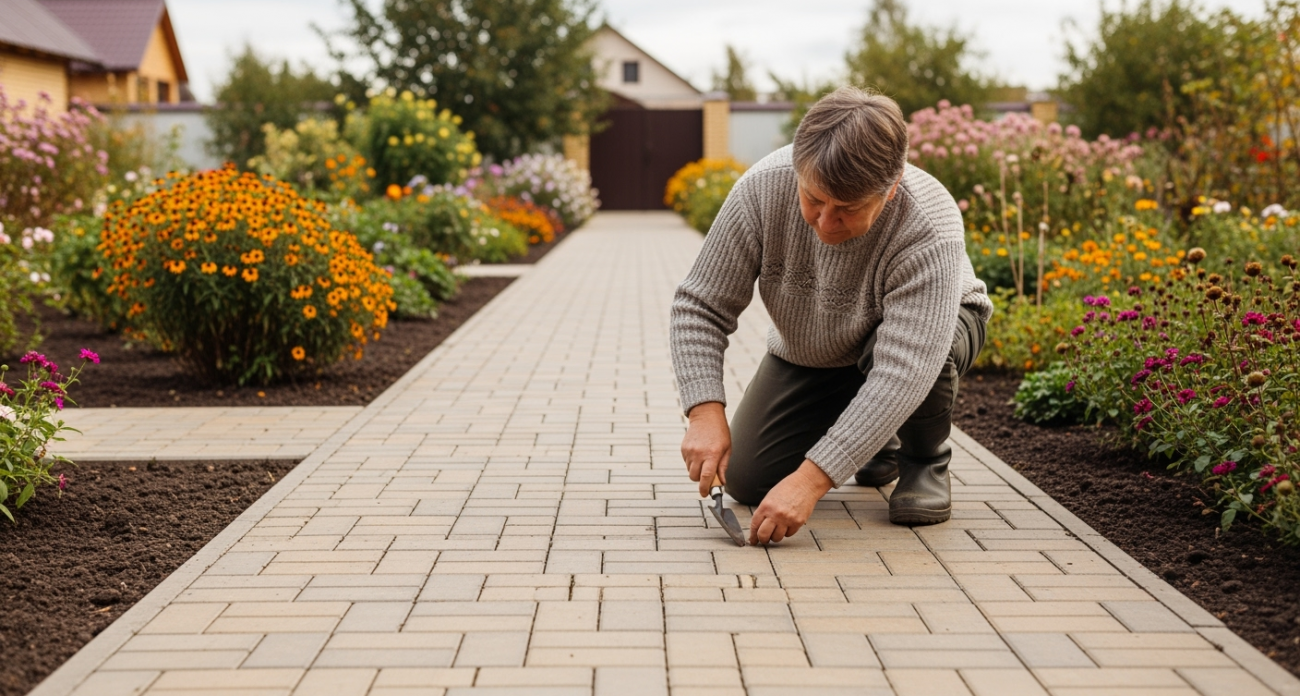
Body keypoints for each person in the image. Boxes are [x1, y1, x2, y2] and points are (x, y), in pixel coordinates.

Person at [670, 86, 992, 546]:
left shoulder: (928, 223)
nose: (824, 222)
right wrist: (704, 413)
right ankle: (877, 439)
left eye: (848, 209)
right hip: (816, 347)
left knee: (903, 361)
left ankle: (924, 462)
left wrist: (811, 481)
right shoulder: (763, 188)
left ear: (892, 187)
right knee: (747, 478)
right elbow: (700, 305)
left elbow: (905, 371)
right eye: (814, 199)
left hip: (925, 338)